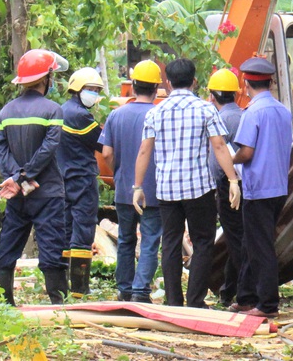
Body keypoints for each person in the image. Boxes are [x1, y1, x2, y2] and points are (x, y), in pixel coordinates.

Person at [133, 58, 241, 308]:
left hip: (167, 190)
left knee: (170, 242)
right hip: (199, 189)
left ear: (168, 84)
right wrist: (233, 179)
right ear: (194, 82)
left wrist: (137, 187)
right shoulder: (206, 109)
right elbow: (219, 146)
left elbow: (144, 151)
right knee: (203, 242)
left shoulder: (155, 112)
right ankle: (195, 301)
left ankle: (173, 301)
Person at [0, 49, 69, 306]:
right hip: (46, 192)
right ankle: (59, 307)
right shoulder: (53, 110)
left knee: (9, 243)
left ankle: (5, 304)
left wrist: (16, 179)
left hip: (18, 193)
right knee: (52, 247)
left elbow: (0, 150)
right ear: (47, 78)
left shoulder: (5, 112)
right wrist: (26, 176)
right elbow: (48, 149)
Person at [230, 57, 292, 318]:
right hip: (278, 186)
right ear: (269, 82)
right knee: (251, 243)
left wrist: (228, 161)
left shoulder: (253, 112)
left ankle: (267, 304)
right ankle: (246, 296)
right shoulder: (283, 111)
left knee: (261, 246)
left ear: (246, 83)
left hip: (258, 188)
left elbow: (246, 151)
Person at [99, 60, 163, 303]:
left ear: (133, 86)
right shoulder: (158, 114)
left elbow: (106, 153)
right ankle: (140, 291)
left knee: (126, 239)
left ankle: (124, 289)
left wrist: (119, 173)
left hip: (125, 189)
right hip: (152, 192)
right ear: (156, 88)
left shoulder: (117, 114)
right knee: (149, 241)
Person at [57, 67, 104, 297]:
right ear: (78, 89)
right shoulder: (81, 116)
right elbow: (103, 144)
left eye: (96, 90)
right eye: (91, 90)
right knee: (83, 229)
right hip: (82, 178)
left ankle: (62, 285)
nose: (94, 95)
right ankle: (79, 288)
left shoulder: (61, 111)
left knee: (65, 230)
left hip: (62, 178)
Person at [206, 68, 244, 307]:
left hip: (227, 185)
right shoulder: (245, 116)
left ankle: (245, 291)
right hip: (247, 185)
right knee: (236, 238)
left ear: (212, 96)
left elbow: (217, 161)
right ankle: (228, 290)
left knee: (236, 240)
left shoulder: (218, 120)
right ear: (236, 95)